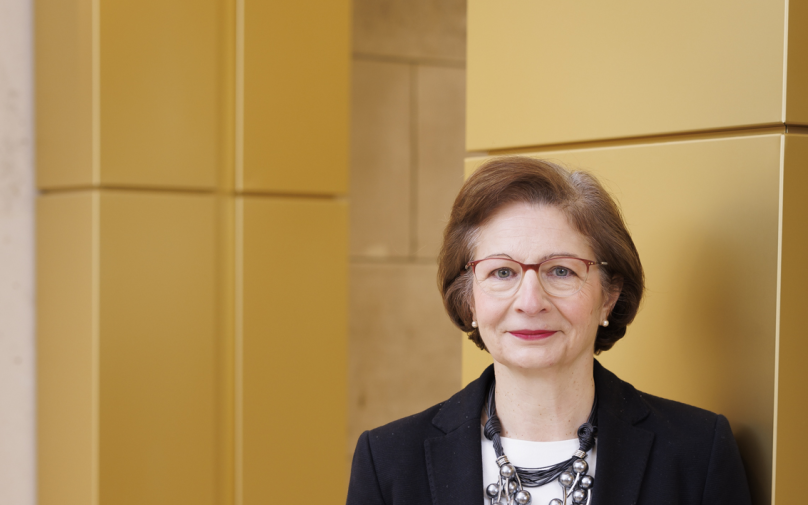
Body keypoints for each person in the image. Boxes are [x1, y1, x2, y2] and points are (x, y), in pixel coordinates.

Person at [346, 156, 751, 505]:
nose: (530, 301)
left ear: (609, 296)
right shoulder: (388, 462)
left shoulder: (697, 453)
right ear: (468, 299)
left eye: (560, 271)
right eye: (502, 272)